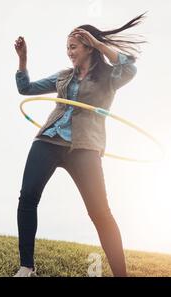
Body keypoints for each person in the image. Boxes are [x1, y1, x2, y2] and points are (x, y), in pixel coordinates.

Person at [13, 14, 146, 277]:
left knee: (99, 212)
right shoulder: (63, 77)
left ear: (89, 47)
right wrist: (23, 59)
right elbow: (25, 89)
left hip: (85, 147)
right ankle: (26, 267)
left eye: (73, 47)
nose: (69, 52)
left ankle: (121, 274)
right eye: (67, 48)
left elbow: (130, 68)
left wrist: (99, 43)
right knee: (28, 197)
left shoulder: (110, 77)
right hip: (49, 139)